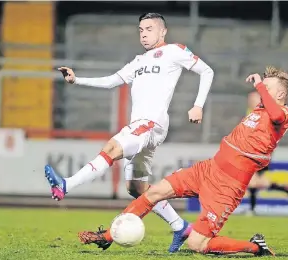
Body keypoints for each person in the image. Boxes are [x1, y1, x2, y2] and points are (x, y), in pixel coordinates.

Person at [78, 66, 288, 256]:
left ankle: (256, 248)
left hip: (227, 186)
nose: (261, 90)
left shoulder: (283, 114)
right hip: (208, 169)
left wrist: (261, 88)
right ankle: (106, 237)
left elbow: (275, 116)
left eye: (267, 87)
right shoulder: (260, 109)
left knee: (197, 244)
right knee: (153, 193)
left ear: (281, 93)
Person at [44, 12, 214, 253]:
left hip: (151, 123)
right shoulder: (138, 61)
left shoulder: (174, 51)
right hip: (143, 126)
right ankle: (180, 227)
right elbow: (113, 80)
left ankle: (65, 185)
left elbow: (207, 71)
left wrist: (198, 105)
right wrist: (76, 80)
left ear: (162, 31)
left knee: (112, 148)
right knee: (136, 188)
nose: (144, 34)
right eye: (141, 30)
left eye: (149, 29)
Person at [246, 91, 288, 216]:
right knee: (260, 182)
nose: (250, 101)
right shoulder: (252, 113)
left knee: (253, 181)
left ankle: (252, 209)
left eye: (253, 99)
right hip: (254, 150)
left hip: (261, 151)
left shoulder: (265, 113)